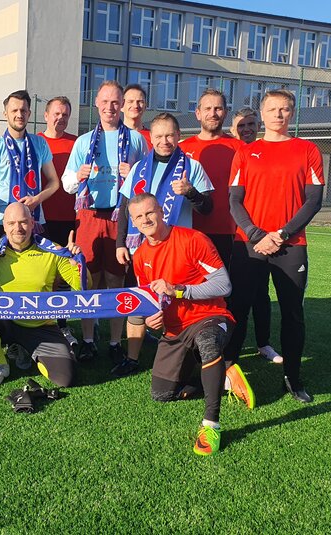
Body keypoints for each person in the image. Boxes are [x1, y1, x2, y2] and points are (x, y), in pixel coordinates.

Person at [129, 193, 254, 456]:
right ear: (133, 222)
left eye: (149, 212)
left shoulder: (193, 239)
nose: (145, 219)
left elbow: (224, 285)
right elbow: (149, 300)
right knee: (162, 394)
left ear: (161, 211)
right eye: (138, 216)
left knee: (208, 343)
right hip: (175, 331)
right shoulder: (139, 256)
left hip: (209, 316)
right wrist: (152, 319)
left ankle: (211, 425)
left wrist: (178, 290)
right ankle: (223, 376)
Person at [225, 89, 324, 403]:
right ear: (262, 114)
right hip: (249, 244)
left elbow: (314, 201)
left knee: (293, 313)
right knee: (237, 310)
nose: (278, 115)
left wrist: (281, 234)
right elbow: (234, 201)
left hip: (290, 245)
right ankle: (227, 373)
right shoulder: (245, 152)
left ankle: (293, 378)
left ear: (292, 113)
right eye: (272, 109)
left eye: (284, 109)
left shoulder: (307, 150)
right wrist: (256, 234)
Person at [115, 112, 214, 377]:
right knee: (139, 300)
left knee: (178, 301)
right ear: (151, 137)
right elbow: (125, 207)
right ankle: (132, 358)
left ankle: (182, 354)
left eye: (170, 135)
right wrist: (120, 242)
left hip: (178, 249)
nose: (164, 141)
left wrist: (191, 192)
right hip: (141, 248)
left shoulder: (192, 167)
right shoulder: (139, 167)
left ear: (179, 136)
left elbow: (208, 209)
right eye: (159, 136)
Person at [61, 80, 147, 363]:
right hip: (89, 215)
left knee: (116, 279)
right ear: (96, 103)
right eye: (105, 101)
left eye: (115, 102)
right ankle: (88, 340)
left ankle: (114, 341)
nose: (110, 107)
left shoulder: (136, 139)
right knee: (89, 279)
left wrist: (133, 174)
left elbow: (146, 182)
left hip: (120, 215)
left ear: (122, 105)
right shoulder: (83, 141)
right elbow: (66, 183)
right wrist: (78, 177)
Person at [0, 203, 85, 389]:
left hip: (40, 325)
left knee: (66, 379)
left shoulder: (53, 250)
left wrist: (75, 261)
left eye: (23, 222)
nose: (18, 228)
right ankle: (1, 364)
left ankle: (28, 348)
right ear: (4, 226)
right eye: (11, 223)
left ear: (32, 223)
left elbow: (82, 288)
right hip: (5, 321)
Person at [229, 107, 281, 364]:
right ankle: (230, 351)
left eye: (251, 124)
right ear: (233, 130)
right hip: (234, 235)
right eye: (241, 125)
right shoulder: (233, 152)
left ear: (259, 126)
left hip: (261, 236)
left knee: (261, 292)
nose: (246, 129)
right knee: (236, 295)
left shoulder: (270, 152)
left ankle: (263, 343)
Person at [179, 89, 244, 269]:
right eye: (207, 109)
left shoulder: (240, 149)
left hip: (228, 231)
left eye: (218, 108)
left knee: (225, 283)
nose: (213, 113)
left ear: (226, 113)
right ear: (198, 113)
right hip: (189, 229)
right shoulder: (181, 149)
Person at [0, 90, 60, 239]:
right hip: (5, 223)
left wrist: (37, 199)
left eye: (23, 110)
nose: (19, 114)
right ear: (5, 114)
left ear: (29, 113)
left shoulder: (40, 143)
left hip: (35, 221)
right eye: (14, 110)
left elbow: (54, 182)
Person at [38, 96, 79, 347]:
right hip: (41, 219)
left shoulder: (77, 143)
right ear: (46, 115)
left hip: (70, 218)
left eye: (65, 114)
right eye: (56, 113)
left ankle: (63, 325)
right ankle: (39, 323)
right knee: (42, 274)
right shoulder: (36, 142)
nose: (60, 118)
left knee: (63, 275)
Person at [122, 84, 152, 150]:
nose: (135, 106)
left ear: (145, 106)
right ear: (121, 106)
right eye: (130, 101)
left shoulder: (154, 138)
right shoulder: (114, 135)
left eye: (140, 102)